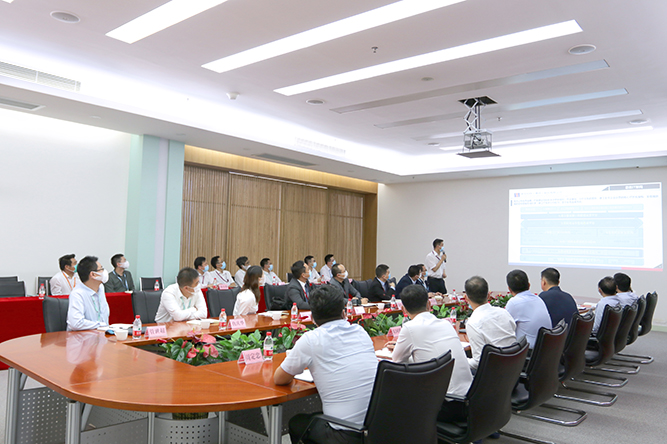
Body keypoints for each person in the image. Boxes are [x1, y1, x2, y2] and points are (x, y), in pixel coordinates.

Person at [275, 284, 378, 444]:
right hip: (377, 429)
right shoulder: (360, 332)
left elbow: (279, 379)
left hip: (344, 434)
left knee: (297, 423)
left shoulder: (311, 339)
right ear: (344, 313)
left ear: (312, 317)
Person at [387, 285, 472, 397]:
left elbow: (397, 362)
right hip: (470, 393)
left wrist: (403, 350)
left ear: (404, 309)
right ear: (429, 304)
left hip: (446, 399)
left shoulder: (409, 328)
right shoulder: (446, 323)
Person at [464, 276, 517, 371]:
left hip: (493, 374)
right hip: (513, 368)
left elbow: (478, 362)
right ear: (489, 295)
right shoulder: (504, 312)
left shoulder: (473, 323)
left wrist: (462, 360)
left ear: (466, 298)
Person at [504, 269, 551, 348]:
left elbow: (505, 330)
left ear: (509, 289)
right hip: (544, 349)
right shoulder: (538, 299)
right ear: (529, 285)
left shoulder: (514, 303)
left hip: (528, 351)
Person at [66, 256, 110, 331]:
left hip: (100, 334)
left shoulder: (100, 287)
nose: (104, 272)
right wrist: (101, 325)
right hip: (81, 336)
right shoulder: (77, 293)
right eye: (101, 269)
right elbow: (76, 323)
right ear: (93, 274)